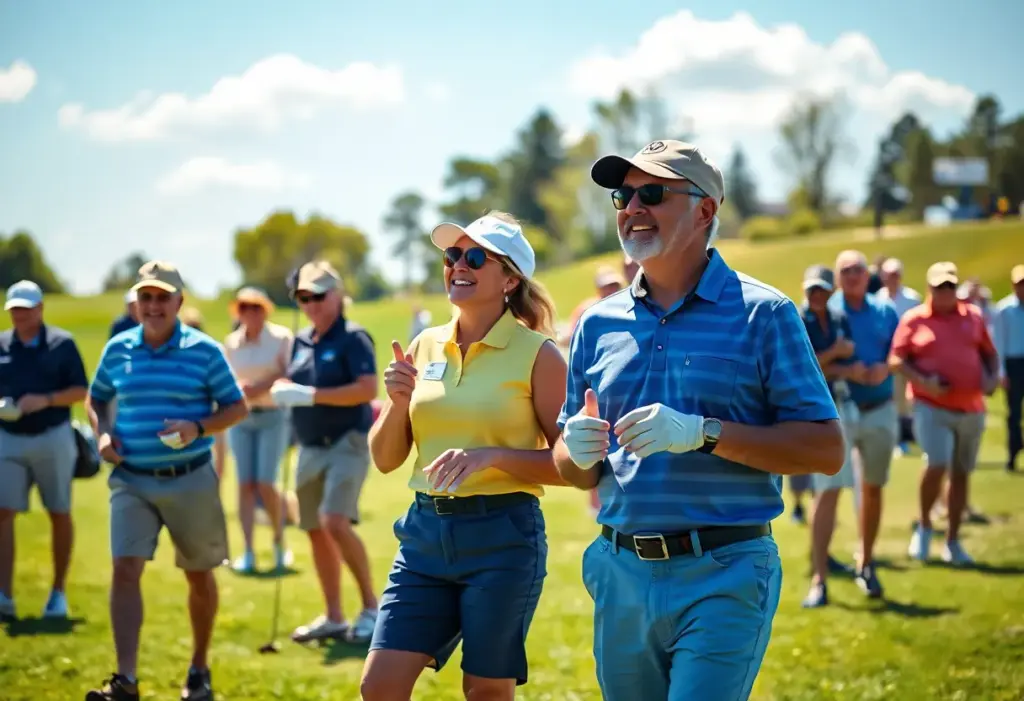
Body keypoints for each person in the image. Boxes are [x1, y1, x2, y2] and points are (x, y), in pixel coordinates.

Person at [553, 139, 844, 700]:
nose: (633, 207)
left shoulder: (766, 313)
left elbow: (824, 448)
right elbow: (572, 466)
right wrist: (576, 450)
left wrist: (702, 433)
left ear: (705, 210)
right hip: (622, 572)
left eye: (652, 193)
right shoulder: (597, 324)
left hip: (724, 570)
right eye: (623, 196)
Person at [360, 211, 566, 701]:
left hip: (503, 539)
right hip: (424, 537)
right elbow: (386, 459)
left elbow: (572, 466)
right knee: (379, 687)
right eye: (452, 256)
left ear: (511, 279)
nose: (458, 265)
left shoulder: (540, 355)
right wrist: (399, 401)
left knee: (486, 692)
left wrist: (491, 457)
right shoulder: (424, 344)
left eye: (475, 257)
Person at [84, 261, 249, 701]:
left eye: (162, 297)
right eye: (146, 297)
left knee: (198, 575)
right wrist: (102, 432)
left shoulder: (205, 351)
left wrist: (198, 427)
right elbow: (97, 396)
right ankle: (126, 681)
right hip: (131, 479)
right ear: (136, 302)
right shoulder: (118, 348)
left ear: (179, 301)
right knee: (125, 569)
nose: (153, 305)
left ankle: (198, 668)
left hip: (190, 479)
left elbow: (236, 408)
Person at [267, 261, 380, 644]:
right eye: (303, 297)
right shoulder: (300, 341)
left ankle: (371, 607)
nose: (311, 303)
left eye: (318, 295)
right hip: (309, 447)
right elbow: (291, 380)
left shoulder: (354, 337)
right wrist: (284, 389)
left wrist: (312, 396)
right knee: (314, 529)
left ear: (337, 295)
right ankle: (333, 616)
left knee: (334, 521)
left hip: (346, 442)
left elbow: (366, 389)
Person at [892, 262, 998, 566]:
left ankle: (952, 539)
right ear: (930, 289)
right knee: (937, 463)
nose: (946, 292)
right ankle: (924, 526)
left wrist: (991, 377)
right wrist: (924, 381)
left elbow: (989, 353)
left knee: (962, 473)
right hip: (930, 405)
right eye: (940, 287)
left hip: (972, 408)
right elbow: (897, 360)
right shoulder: (914, 319)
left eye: (950, 286)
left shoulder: (973, 317)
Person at [0, 280, 89, 622]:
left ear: (40, 309)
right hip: (9, 438)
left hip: (53, 436)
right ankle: (4, 595)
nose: (20, 315)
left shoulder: (61, 344)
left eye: (26, 309)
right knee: (3, 513)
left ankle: (58, 593)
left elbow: (81, 390)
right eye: (14, 310)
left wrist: (46, 400)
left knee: (59, 512)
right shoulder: (3, 345)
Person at [829, 250, 900, 599]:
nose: (853, 275)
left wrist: (886, 368)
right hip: (840, 410)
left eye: (858, 269)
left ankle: (866, 560)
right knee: (828, 491)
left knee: (873, 487)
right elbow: (813, 361)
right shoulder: (827, 312)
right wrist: (849, 371)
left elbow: (900, 352)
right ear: (838, 276)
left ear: (867, 274)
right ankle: (821, 569)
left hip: (880, 408)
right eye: (846, 270)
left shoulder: (886, 309)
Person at [798, 266, 861, 607]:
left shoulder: (837, 317)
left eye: (822, 290)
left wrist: (836, 361)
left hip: (841, 409)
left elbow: (849, 353)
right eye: (812, 291)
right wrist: (836, 356)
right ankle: (819, 576)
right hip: (816, 417)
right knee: (827, 491)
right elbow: (806, 367)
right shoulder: (800, 320)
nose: (816, 297)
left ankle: (822, 561)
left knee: (833, 492)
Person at [222, 287, 294, 573]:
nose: (250, 313)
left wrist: (260, 387)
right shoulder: (231, 343)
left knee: (265, 482)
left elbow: (289, 372)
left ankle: (278, 542)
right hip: (242, 418)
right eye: (244, 307)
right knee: (245, 484)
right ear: (237, 311)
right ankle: (249, 551)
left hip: (274, 415)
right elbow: (226, 377)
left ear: (265, 309)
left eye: (256, 307)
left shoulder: (281, 338)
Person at [876, 257, 923, 454]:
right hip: (888, 358)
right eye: (888, 275)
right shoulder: (878, 298)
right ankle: (899, 440)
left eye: (895, 275)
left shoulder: (912, 298)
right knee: (895, 401)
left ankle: (919, 438)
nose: (892, 279)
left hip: (911, 358)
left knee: (914, 400)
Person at [993, 264, 1024, 472]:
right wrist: (1001, 372)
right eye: (1019, 284)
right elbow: (999, 344)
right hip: (1013, 365)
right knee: (1013, 413)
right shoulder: (1004, 309)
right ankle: (1013, 454)